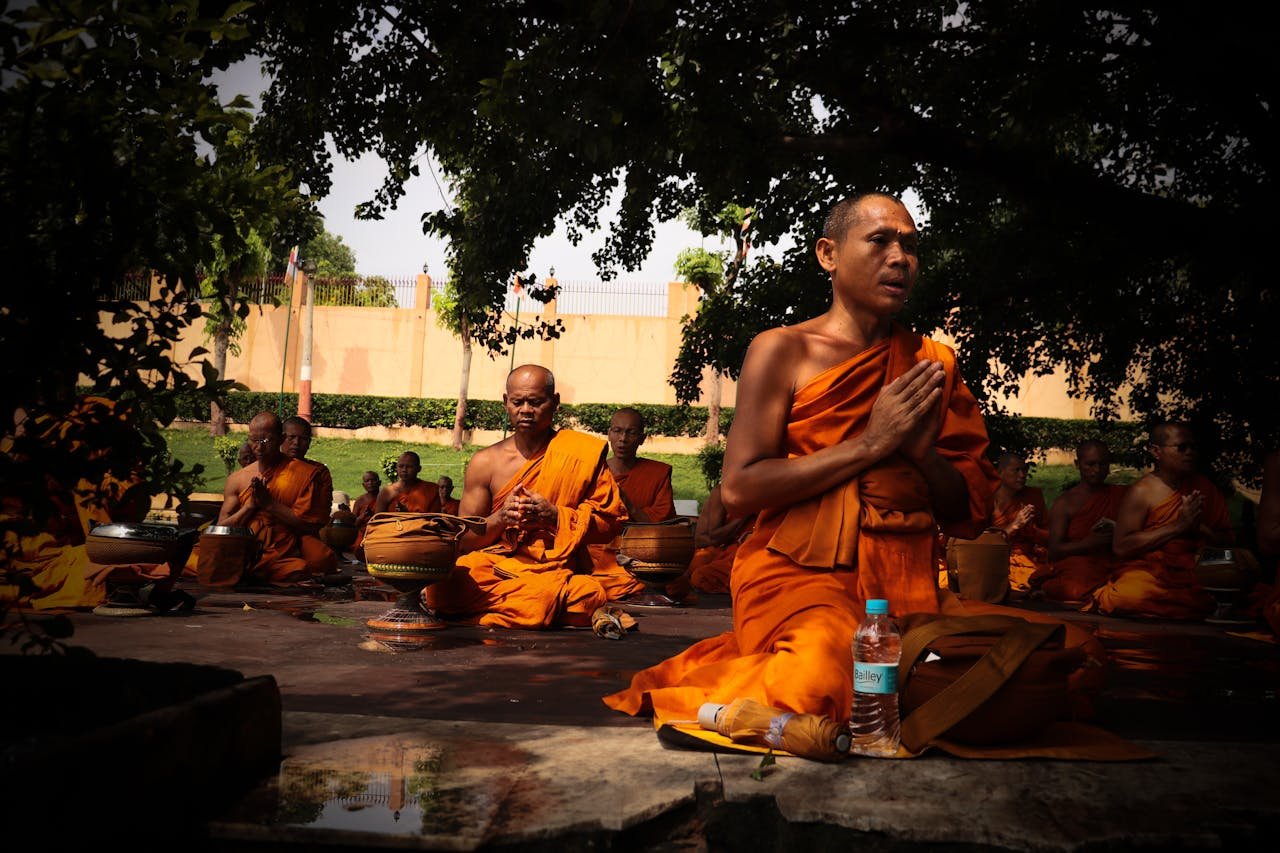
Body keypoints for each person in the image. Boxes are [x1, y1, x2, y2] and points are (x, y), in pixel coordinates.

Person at [604, 192, 1104, 729]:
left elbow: (969, 512)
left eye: (911, 247)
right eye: (880, 241)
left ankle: (907, 685)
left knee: (1075, 650)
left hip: (904, 588)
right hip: (797, 577)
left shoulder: (932, 363)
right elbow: (742, 488)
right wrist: (869, 445)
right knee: (823, 676)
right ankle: (882, 687)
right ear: (828, 254)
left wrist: (919, 455)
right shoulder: (783, 349)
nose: (899, 258)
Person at [423, 364, 626, 628]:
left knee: (583, 595)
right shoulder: (485, 462)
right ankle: (537, 612)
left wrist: (554, 516)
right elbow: (465, 540)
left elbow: (610, 524)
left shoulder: (579, 454)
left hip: (553, 568)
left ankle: (509, 612)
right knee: (441, 589)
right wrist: (501, 518)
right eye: (518, 402)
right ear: (506, 403)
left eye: (536, 402)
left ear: (555, 403)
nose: (526, 410)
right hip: (495, 566)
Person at [1087, 422, 1232, 620]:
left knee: (1238, 570)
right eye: (1181, 447)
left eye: (1193, 447)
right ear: (1156, 451)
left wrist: (1200, 529)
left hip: (1197, 562)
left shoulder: (1204, 487)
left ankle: (1212, 601)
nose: (1189, 452)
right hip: (1152, 568)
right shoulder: (1142, 492)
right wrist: (1177, 527)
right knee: (1126, 596)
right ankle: (1208, 605)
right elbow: (1121, 546)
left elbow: (1228, 545)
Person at [213, 411, 337, 585]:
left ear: (279, 439)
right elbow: (221, 528)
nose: (259, 447)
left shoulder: (307, 473)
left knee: (314, 562)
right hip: (243, 543)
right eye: (254, 441)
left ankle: (252, 572)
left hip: (285, 545)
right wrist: (250, 507)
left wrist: (269, 504)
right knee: (195, 560)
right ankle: (252, 572)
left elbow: (311, 523)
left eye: (266, 441)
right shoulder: (238, 478)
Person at [587, 407, 677, 601]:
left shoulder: (657, 474)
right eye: (617, 431)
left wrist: (627, 504)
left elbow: (663, 526)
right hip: (596, 553)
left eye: (631, 432)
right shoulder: (592, 471)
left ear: (642, 438)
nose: (623, 439)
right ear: (609, 434)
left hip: (639, 553)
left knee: (672, 580)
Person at [1030, 440, 1127, 603]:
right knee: (1075, 589)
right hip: (1080, 563)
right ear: (1077, 464)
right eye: (1090, 464)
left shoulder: (1120, 494)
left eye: (1102, 464)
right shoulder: (1065, 502)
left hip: (1113, 560)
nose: (1096, 470)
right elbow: (1054, 551)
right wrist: (1089, 543)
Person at [281, 415, 337, 569]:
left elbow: (319, 516)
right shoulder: (269, 466)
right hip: (270, 531)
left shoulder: (318, 472)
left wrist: (272, 507)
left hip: (303, 533)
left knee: (322, 560)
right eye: (291, 437)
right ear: (281, 438)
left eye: (303, 439)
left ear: (309, 443)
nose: (296, 443)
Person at [991, 452, 1049, 592]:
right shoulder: (987, 499)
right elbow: (982, 542)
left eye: (1024, 470)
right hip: (996, 560)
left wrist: (1032, 530)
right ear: (999, 473)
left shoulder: (1033, 496)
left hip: (1028, 559)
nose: (1022, 475)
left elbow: (1049, 538)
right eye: (1016, 470)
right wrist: (1014, 526)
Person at [684, 482, 755, 594]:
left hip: (744, 551)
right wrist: (747, 514)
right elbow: (710, 538)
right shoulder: (722, 492)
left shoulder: (767, 494)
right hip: (721, 549)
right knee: (697, 567)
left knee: (700, 575)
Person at [374, 452, 442, 514]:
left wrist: (407, 514)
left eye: (409, 467)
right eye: (401, 466)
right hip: (392, 527)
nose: (404, 470)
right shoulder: (387, 492)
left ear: (419, 469)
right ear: (396, 468)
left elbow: (434, 520)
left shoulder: (431, 489)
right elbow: (377, 520)